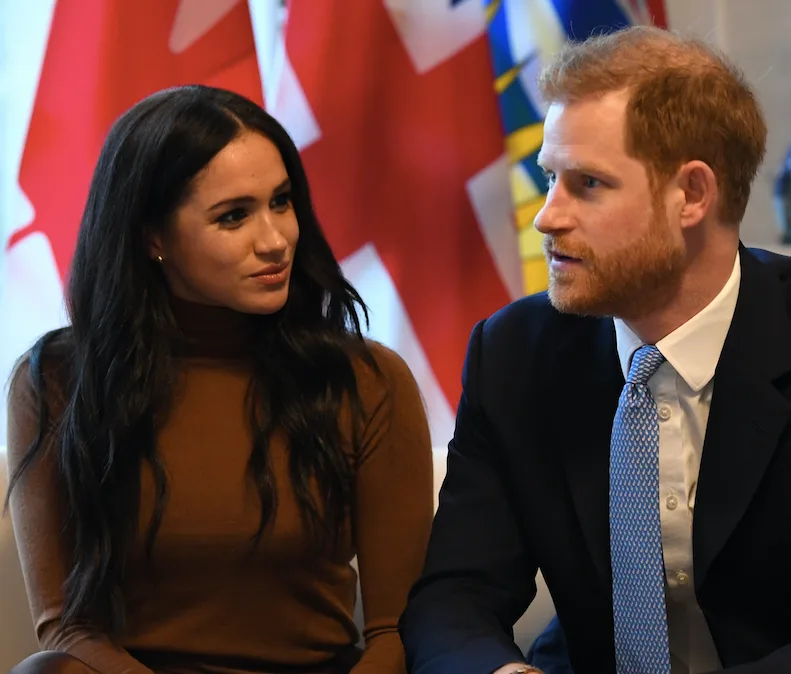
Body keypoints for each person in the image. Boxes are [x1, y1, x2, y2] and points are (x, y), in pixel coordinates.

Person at [399, 25, 791, 674]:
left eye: (586, 185)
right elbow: (455, 596)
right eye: (547, 178)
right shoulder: (514, 352)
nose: (545, 217)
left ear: (690, 195)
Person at [5, 84, 434, 674]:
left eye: (281, 202)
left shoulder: (367, 380)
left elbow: (397, 629)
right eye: (234, 216)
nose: (276, 239)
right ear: (152, 237)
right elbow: (64, 624)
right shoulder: (54, 379)